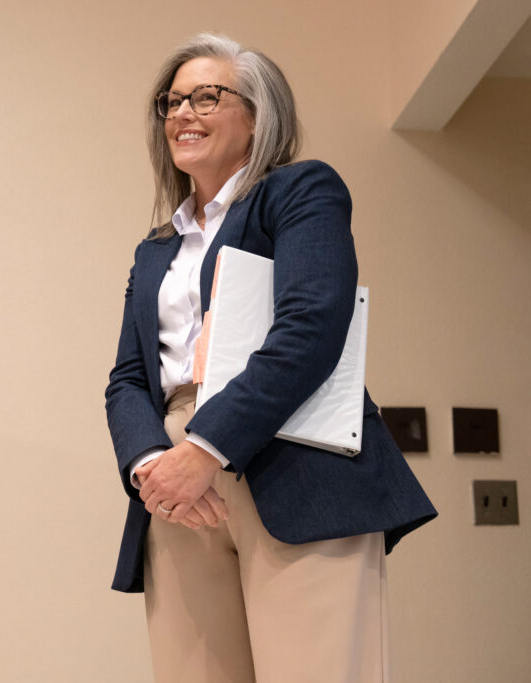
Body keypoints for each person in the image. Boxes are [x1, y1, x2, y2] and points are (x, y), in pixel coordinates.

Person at [104, 33, 436, 683]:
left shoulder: (300, 192)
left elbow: (311, 325)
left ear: (260, 115)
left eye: (206, 96)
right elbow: (127, 379)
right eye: (171, 102)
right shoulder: (153, 251)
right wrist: (152, 465)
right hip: (173, 490)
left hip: (293, 459)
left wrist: (205, 448)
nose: (182, 114)